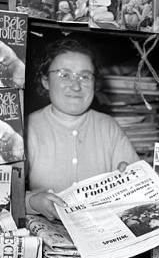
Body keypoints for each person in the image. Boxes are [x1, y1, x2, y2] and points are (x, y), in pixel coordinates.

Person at [25, 37, 139, 221]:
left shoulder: (108, 127)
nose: (76, 86)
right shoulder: (26, 128)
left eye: (85, 76)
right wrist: (31, 202)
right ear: (45, 80)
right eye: (65, 75)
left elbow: (136, 187)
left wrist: (132, 181)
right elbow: (4, 193)